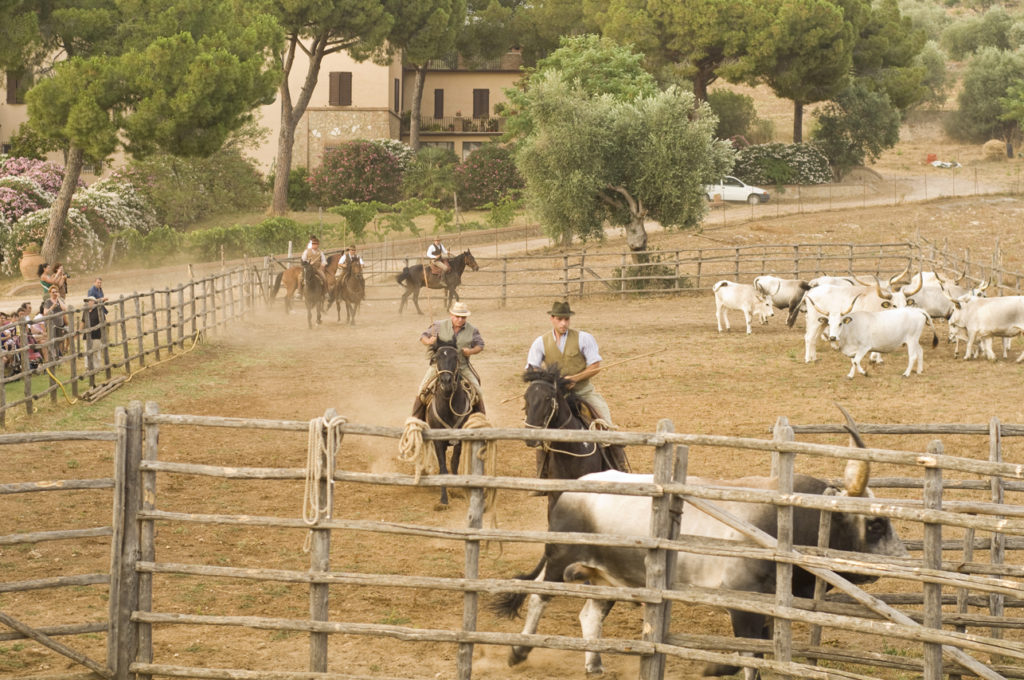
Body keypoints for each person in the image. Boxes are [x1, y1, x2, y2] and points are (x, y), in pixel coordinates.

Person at [526, 300, 627, 470]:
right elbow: (533, 369)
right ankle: (542, 473)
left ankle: (618, 467)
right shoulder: (540, 342)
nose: (563, 323)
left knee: (606, 425)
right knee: (539, 427)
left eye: (566, 319)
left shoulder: (584, 338)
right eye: (559, 319)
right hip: (556, 396)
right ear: (551, 318)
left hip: (584, 392)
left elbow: (595, 367)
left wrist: (576, 378)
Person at [411, 301, 485, 421]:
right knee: (422, 391)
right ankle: (415, 423)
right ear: (451, 314)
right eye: (457, 316)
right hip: (438, 367)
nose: (460, 319)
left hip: (462, 366)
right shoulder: (438, 325)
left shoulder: (472, 330)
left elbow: (480, 345)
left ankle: (482, 424)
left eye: (463, 317)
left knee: (478, 391)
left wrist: (471, 351)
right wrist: (429, 341)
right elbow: (423, 336)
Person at [41, 285, 69, 354]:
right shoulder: (48, 301)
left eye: (56, 292)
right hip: (51, 324)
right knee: (52, 340)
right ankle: (53, 355)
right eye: (53, 292)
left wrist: (58, 298)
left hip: (60, 323)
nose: (55, 293)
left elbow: (65, 309)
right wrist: (53, 306)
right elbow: (45, 313)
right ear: (50, 293)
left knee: (60, 340)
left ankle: (60, 354)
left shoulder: (60, 300)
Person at [81, 296, 105, 375]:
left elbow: (103, 321)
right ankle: (88, 368)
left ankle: (96, 368)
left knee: (95, 352)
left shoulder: (98, 310)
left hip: (96, 334)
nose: (88, 303)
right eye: (87, 301)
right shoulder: (86, 311)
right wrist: (79, 331)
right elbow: (83, 321)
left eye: (89, 301)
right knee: (87, 352)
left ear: (94, 302)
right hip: (87, 335)